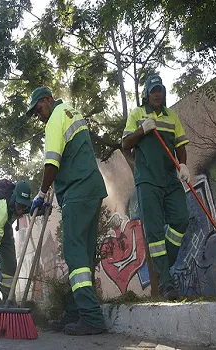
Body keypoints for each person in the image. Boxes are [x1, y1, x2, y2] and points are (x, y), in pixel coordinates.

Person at [26, 86, 108, 335]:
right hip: (91, 188)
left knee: (74, 254)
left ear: (48, 100)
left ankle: (91, 317)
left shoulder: (54, 119)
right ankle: (75, 312)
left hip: (78, 190)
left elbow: (52, 162)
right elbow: (70, 155)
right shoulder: (72, 112)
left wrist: (40, 194)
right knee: (82, 254)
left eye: (38, 107)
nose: (38, 115)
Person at [121, 74, 190, 300]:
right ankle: (166, 282)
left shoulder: (172, 117)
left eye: (159, 90)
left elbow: (180, 144)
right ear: (146, 94)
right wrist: (143, 130)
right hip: (148, 180)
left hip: (170, 178)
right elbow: (125, 143)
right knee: (155, 231)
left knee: (181, 218)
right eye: (153, 91)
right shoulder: (137, 114)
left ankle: (164, 263)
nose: (157, 94)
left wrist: (183, 165)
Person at [0, 181, 32, 307]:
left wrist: (39, 208)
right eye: (19, 206)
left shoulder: (22, 205)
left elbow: (30, 208)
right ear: (14, 199)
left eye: (24, 207)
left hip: (6, 223)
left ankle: (8, 300)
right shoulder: (2, 208)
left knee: (10, 263)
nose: (21, 210)